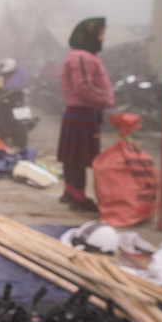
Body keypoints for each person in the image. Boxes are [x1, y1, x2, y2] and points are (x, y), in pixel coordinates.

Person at [57, 17, 114, 212]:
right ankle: (79, 198)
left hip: (78, 114)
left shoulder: (82, 56)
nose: (103, 37)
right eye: (100, 33)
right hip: (81, 114)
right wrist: (106, 98)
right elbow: (83, 87)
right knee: (78, 159)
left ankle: (69, 191)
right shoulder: (82, 57)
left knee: (71, 157)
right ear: (89, 35)